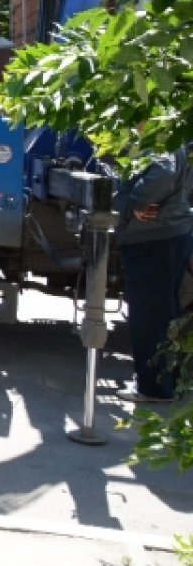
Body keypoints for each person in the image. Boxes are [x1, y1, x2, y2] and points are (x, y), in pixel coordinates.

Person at [111, 143, 193, 403]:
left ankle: (154, 388)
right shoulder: (169, 136)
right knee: (165, 313)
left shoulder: (159, 139)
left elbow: (164, 173)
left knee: (150, 316)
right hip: (167, 235)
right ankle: (168, 381)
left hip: (152, 239)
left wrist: (133, 204)